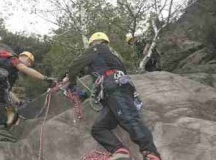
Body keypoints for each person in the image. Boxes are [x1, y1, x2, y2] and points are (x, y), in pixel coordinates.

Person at [64, 32, 161, 160]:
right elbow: (105, 75)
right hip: (112, 92)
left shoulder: (95, 49)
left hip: (115, 89)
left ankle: (151, 152)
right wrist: (85, 94)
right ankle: (120, 151)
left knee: (130, 119)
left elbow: (74, 67)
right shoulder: (113, 56)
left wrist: (71, 84)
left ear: (93, 42)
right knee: (99, 128)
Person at [0, 50, 56, 142]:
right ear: (23, 57)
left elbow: (7, 90)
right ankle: (1, 131)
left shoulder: (0, 63)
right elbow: (26, 69)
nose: (29, 64)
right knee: (1, 107)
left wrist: (19, 101)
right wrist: (45, 78)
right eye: (29, 61)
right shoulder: (14, 60)